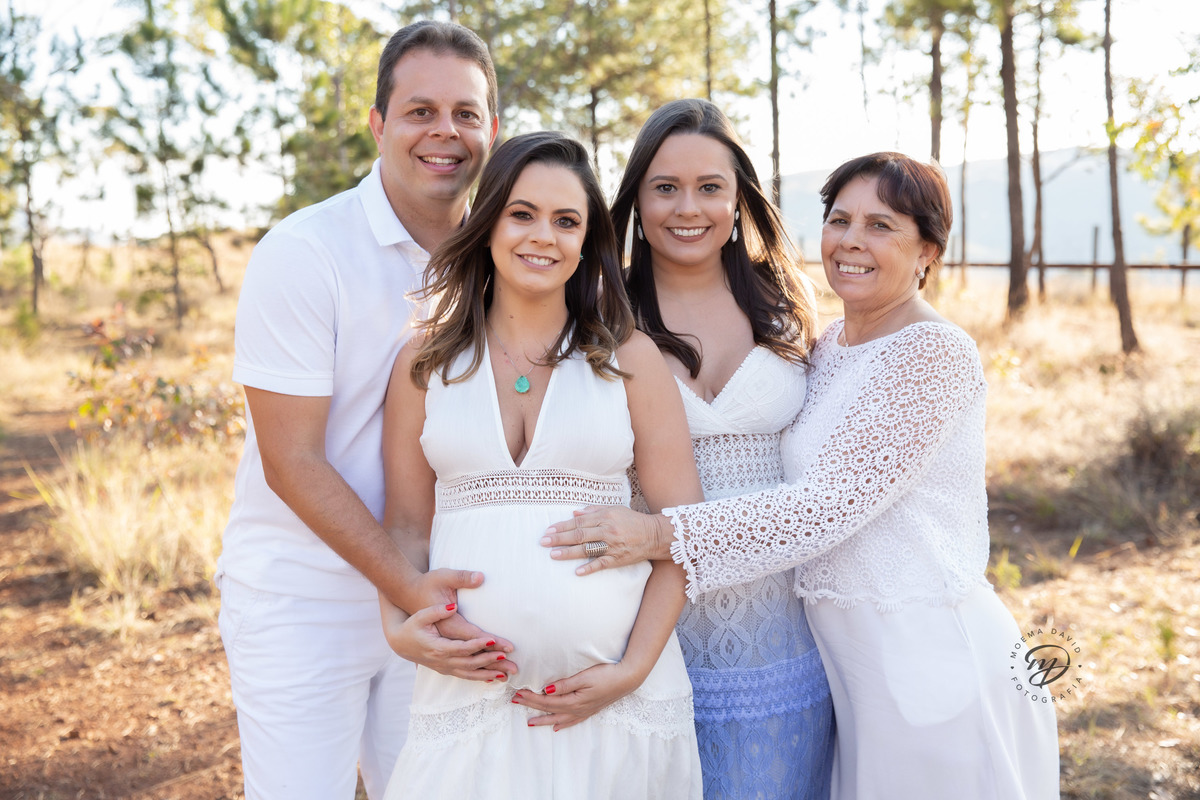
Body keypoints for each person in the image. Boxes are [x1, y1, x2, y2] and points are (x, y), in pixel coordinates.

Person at [543, 152, 1061, 799]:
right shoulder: (830, 343)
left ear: (928, 248)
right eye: (840, 220)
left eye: (881, 226)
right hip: (839, 659)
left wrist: (657, 535)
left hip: (923, 652)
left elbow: (824, 508)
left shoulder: (934, 352)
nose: (851, 241)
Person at [217, 21, 515, 800]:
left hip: (441, 590)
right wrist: (408, 588)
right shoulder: (305, 252)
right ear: (379, 124)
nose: (444, 132)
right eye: (419, 111)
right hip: (303, 597)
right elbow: (292, 462)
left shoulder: (503, 264)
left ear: (493, 129)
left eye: (465, 113)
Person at [378, 131, 705, 799]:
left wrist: (634, 668)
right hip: (469, 703)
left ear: (587, 242)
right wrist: (398, 630)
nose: (543, 237)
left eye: (566, 221)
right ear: (488, 220)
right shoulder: (425, 363)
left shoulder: (629, 358)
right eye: (522, 213)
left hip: (617, 702)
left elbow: (684, 532)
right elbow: (406, 529)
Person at [615, 98, 835, 799]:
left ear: (739, 199)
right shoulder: (600, 311)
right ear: (637, 200)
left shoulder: (787, 304)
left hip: (782, 635)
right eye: (666, 186)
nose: (689, 207)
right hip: (647, 629)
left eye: (711, 187)